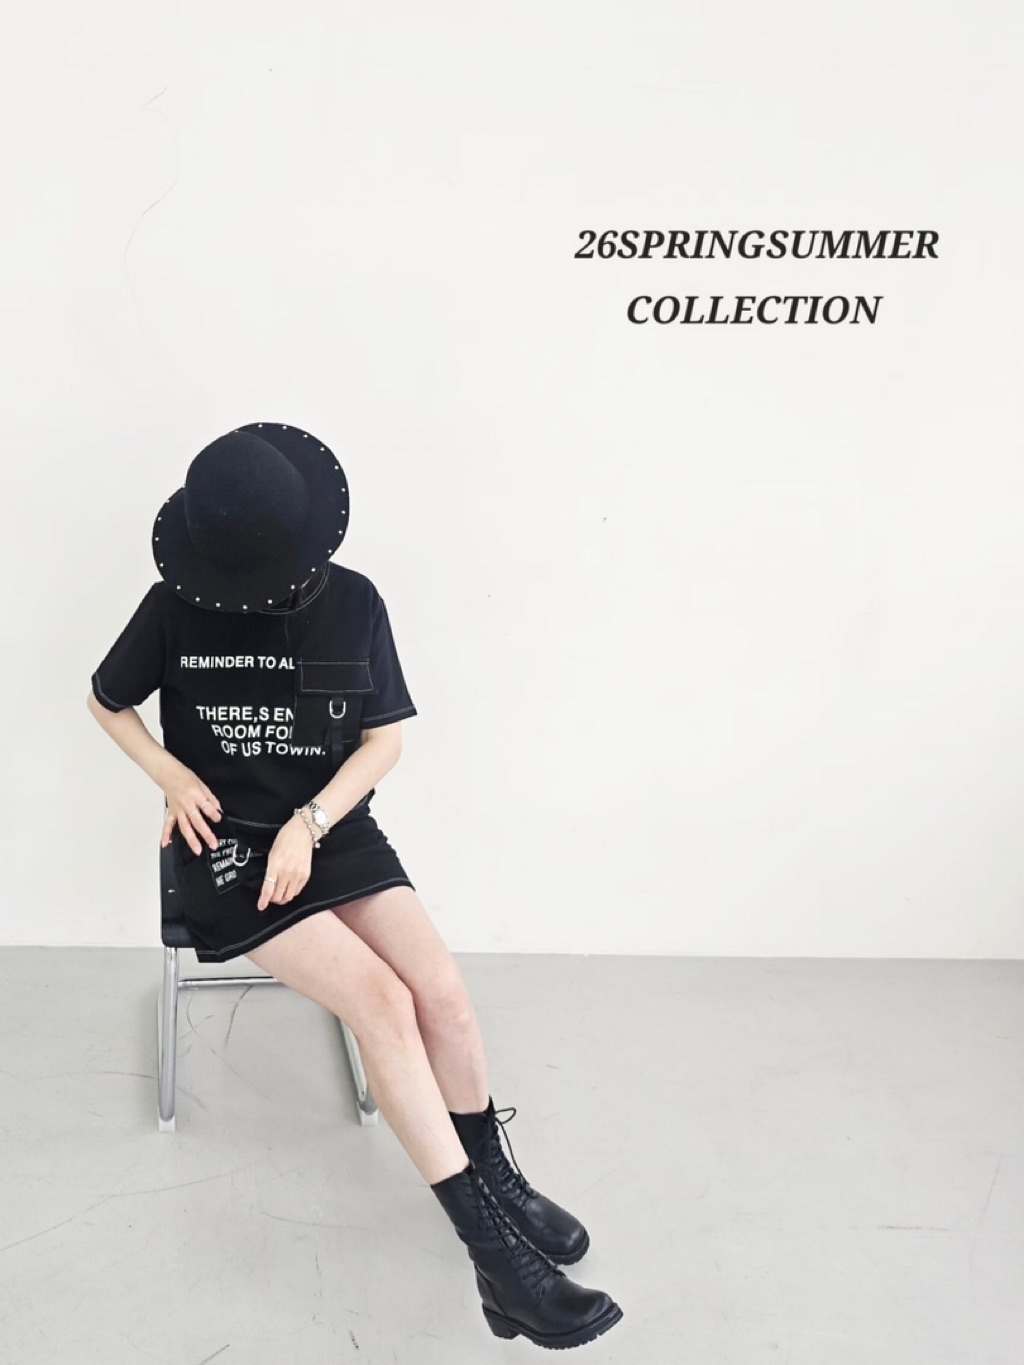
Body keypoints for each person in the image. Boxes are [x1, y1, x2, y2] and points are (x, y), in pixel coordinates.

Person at [87, 422, 623, 1349]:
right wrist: (169, 775)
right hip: (228, 848)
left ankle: (497, 1178)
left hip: (330, 827)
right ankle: (498, 1261)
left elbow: (382, 741)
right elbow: (107, 699)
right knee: (382, 1001)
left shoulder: (354, 601)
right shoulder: (173, 606)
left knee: (442, 993)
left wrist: (311, 822)